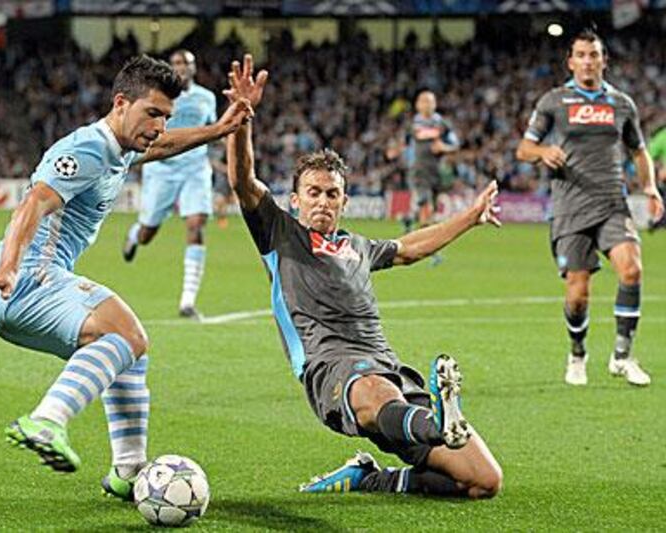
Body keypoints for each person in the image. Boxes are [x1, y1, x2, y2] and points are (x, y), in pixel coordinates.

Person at [225, 55, 502, 499]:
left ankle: (369, 477)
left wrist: (469, 217)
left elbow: (410, 248)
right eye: (312, 193)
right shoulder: (280, 233)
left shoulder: (358, 246)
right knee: (375, 394)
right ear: (295, 200)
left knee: (482, 481)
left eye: (332, 194)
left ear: (344, 200)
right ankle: (438, 423)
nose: (322, 202)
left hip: (388, 367)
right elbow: (242, 180)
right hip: (332, 365)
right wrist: (240, 120)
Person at [0, 55, 253, 499]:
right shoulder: (86, 148)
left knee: (131, 350)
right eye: (152, 114)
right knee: (128, 334)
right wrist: (8, 267)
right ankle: (46, 420)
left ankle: (128, 471)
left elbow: (162, 147)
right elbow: (33, 204)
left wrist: (221, 128)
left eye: (165, 116)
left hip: (26, 287)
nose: (159, 127)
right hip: (26, 281)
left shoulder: (120, 147)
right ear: (121, 102)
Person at [517, 30, 664, 387]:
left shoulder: (622, 104)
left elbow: (639, 151)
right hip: (570, 208)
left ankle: (622, 356)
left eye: (593, 54)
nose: (587, 60)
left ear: (603, 60)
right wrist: (542, 153)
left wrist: (650, 188)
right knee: (578, 293)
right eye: (581, 54)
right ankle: (577, 352)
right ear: (571, 61)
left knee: (631, 270)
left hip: (613, 202)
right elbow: (524, 148)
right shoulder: (554, 101)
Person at [122, 50, 219, 319]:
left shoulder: (207, 98)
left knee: (196, 224)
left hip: (196, 169)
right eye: (177, 63)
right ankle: (134, 235)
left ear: (194, 68)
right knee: (148, 233)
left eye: (187, 63)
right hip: (162, 170)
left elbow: (211, 131)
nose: (182, 67)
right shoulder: (158, 97)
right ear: (171, 68)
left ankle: (187, 302)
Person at [407, 91, 459, 241]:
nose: (427, 105)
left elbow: (455, 145)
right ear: (417, 105)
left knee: (433, 208)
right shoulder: (414, 123)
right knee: (426, 204)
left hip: (436, 171)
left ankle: (414, 223)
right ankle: (424, 239)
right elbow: (412, 138)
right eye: (423, 101)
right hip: (419, 169)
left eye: (430, 101)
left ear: (435, 104)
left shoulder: (442, 124)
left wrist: (444, 147)